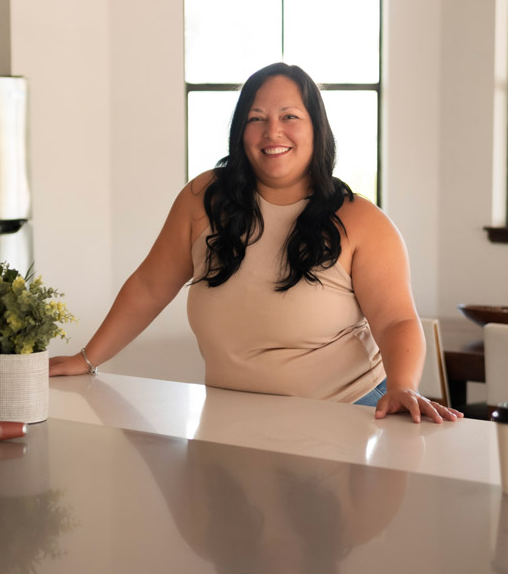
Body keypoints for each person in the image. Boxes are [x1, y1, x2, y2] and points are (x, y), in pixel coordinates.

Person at [50, 62, 462, 424]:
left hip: (344, 414)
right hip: (230, 417)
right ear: (240, 131)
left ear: (317, 128)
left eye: (289, 116)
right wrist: (87, 359)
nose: (272, 132)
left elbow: (395, 322)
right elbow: (150, 286)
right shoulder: (203, 199)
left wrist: (404, 386)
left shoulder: (362, 221)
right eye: (256, 118)